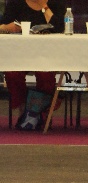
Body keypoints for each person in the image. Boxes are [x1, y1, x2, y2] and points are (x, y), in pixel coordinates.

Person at [0, 0, 66, 130]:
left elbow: (59, 27)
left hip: (47, 54)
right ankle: (25, 108)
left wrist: (44, 6)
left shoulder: (55, 3)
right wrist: (8, 28)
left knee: (45, 74)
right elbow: (2, 26)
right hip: (20, 54)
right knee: (12, 74)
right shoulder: (16, 3)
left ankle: (42, 110)